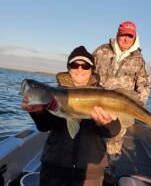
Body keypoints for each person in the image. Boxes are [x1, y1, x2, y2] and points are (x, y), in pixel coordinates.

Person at [22, 46, 121, 186]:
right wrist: (38, 113)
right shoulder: (56, 93)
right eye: (75, 65)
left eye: (85, 65)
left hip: (90, 172)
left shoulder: (103, 94)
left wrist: (105, 123)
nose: (80, 69)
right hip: (54, 168)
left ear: (91, 69)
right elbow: (44, 126)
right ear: (69, 68)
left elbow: (114, 130)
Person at [93, 21, 151, 184]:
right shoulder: (101, 50)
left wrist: (137, 107)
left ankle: (108, 174)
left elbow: (144, 85)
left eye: (129, 36)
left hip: (122, 109)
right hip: (97, 105)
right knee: (93, 138)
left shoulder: (139, 60)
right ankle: (88, 171)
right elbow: (88, 73)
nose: (125, 39)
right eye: (123, 34)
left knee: (115, 141)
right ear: (117, 34)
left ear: (135, 37)